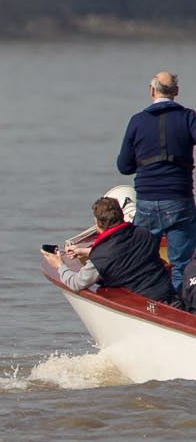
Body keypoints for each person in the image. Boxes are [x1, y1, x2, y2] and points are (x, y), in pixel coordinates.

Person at [116, 72, 196, 290]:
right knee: (182, 264)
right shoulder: (189, 118)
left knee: (141, 260)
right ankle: (182, 308)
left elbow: (123, 166)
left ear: (152, 91)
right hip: (179, 201)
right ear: (176, 92)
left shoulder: (137, 121)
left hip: (147, 201)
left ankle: (146, 303)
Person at [47, 196, 176, 303]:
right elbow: (123, 254)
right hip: (169, 294)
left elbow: (76, 283)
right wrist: (85, 251)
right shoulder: (144, 234)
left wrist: (59, 265)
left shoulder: (102, 256)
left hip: (145, 303)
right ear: (122, 216)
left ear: (97, 222)